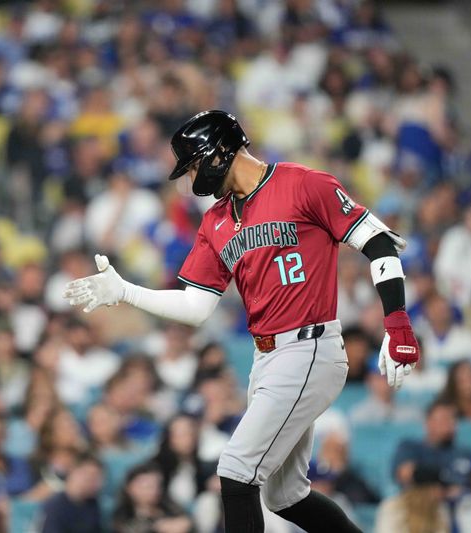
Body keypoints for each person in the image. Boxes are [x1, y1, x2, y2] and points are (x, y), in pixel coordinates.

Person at [65, 109, 420, 532]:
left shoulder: (303, 183)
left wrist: (396, 323)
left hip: (309, 346)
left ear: (217, 153)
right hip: (267, 358)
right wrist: (126, 292)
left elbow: (379, 241)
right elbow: (196, 306)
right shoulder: (215, 220)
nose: (191, 176)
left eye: (194, 163)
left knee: (235, 470)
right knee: (285, 496)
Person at [41, 453, 105, 533]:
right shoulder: (54, 506)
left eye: (99, 478)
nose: (97, 483)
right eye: (91, 476)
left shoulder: (93, 503)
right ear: (74, 473)